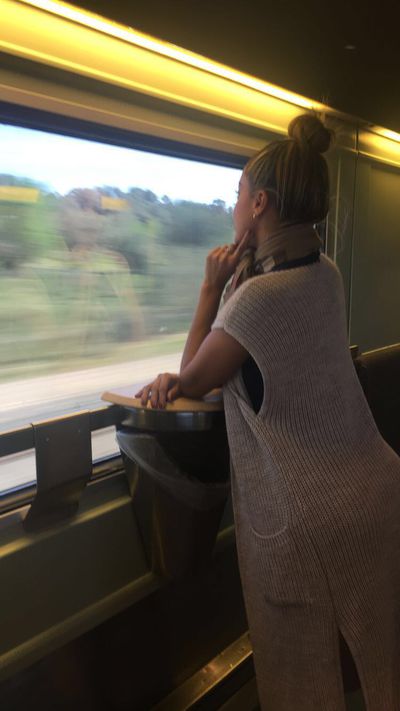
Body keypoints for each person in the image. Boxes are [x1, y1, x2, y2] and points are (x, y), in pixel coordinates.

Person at [136, 114, 400, 710]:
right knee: (377, 665)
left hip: (312, 519)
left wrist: (210, 289)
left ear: (260, 204)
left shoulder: (254, 300)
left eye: (237, 194)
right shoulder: (325, 273)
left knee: (304, 678)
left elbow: (193, 378)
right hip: (376, 492)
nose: (232, 207)